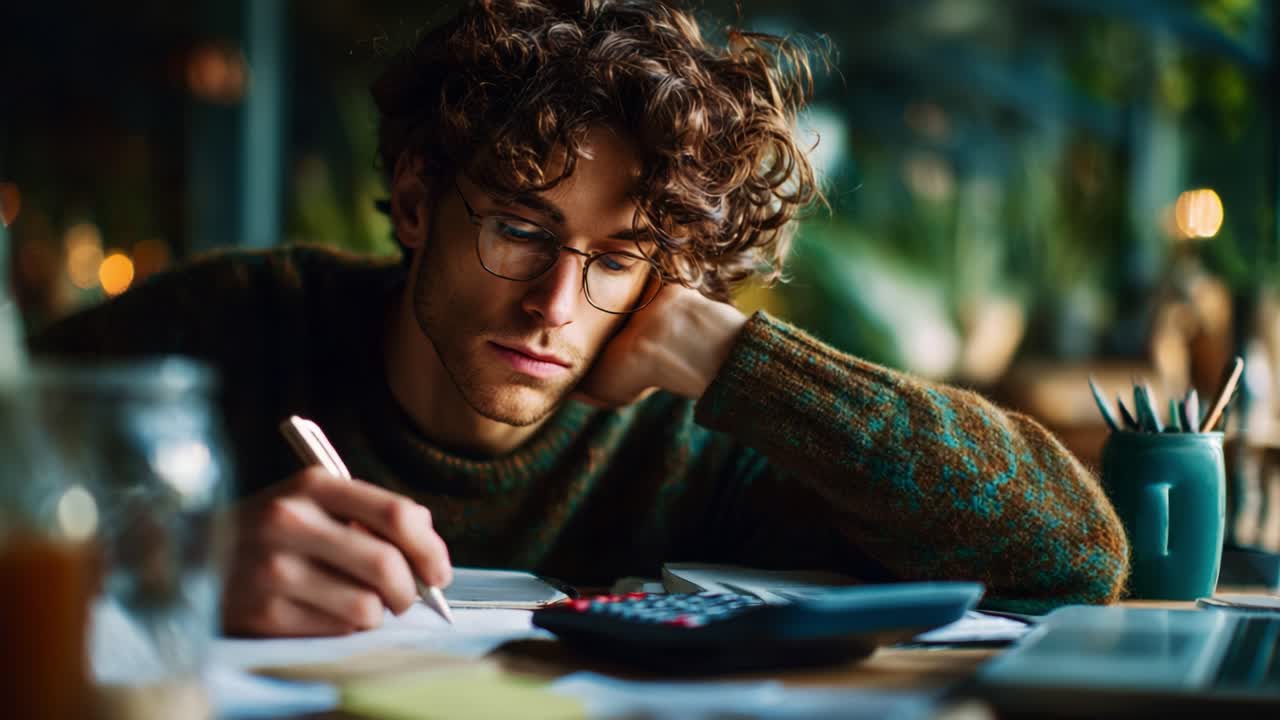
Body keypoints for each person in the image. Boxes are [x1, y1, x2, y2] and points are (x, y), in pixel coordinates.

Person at [32, 0, 1127, 638]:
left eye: (616, 258)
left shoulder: (696, 431)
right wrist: (168, 567)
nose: (554, 304)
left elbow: (1072, 555)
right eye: (519, 228)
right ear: (416, 201)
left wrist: (724, 346)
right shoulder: (234, 327)